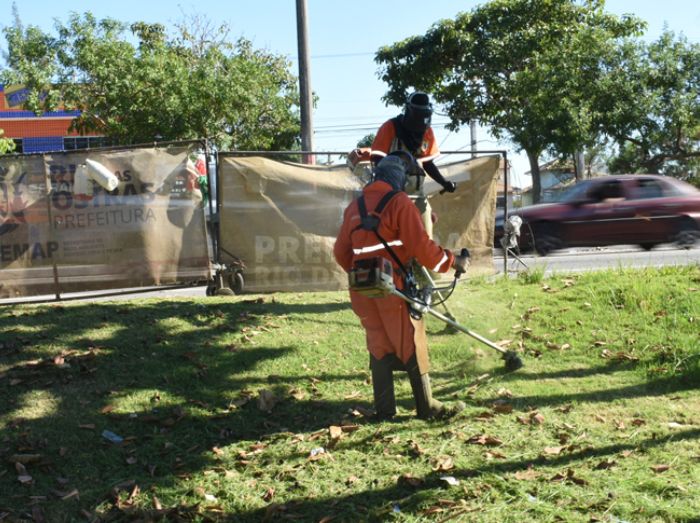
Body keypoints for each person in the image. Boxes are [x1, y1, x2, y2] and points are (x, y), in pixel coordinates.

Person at [333, 153, 469, 421]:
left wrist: (361, 272)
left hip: (362, 290)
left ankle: (384, 410)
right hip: (392, 288)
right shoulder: (399, 203)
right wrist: (454, 262)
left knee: (378, 343)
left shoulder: (355, 207)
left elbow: (340, 252)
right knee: (410, 340)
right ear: (401, 179)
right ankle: (427, 407)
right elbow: (424, 251)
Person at [370, 91, 457, 239]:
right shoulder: (390, 128)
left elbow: (428, 163)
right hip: (390, 195)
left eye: (423, 116)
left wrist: (444, 182)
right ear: (409, 111)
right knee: (390, 236)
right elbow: (378, 159)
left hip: (416, 194)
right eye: (417, 115)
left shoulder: (427, 132)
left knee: (424, 235)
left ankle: (421, 261)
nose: (420, 120)